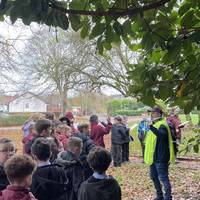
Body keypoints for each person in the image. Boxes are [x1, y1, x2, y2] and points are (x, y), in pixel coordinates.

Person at [144, 106, 175, 200]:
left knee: (163, 178)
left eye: (154, 113)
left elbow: (162, 135)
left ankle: (168, 197)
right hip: (153, 157)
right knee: (153, 176)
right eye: (151, 113)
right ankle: (159, 196)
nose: (152, 115)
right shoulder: (154, 124)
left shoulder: (163, 125)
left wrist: (151, 127)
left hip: (161, 157)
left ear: (159, 114)